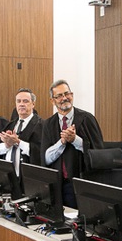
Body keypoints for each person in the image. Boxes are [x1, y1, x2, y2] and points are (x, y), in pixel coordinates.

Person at [40, 79, 104, 208]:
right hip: (58, 185)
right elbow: (45, 158)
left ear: (72, 95)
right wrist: (62, 142)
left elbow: (99, 153)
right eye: (59, 96)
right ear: (52, 101)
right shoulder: (48, 124)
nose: (64, 98)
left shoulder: (87, 119)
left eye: (67, 93)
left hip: (82, 184)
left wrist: (76, 140)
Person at [0, 88, 43, 175]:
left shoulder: (41, 125)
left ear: (33, 104)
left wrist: (18, 142)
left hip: (29, 176)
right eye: (18, 101)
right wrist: (7, 145)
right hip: (8, 176)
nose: (21, 104)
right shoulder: (10, 125)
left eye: (25, 101)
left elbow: (40, 152)